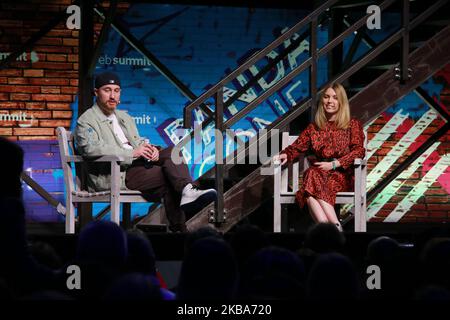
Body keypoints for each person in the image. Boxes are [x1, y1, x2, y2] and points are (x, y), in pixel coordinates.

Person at [74, 72, 217, 232]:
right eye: (107, 90)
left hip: (138, 165)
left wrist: (152, 151)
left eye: (116, 90)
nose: (113, 95)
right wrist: (132, 153)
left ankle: (187, 191)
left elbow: (137, 141)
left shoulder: (123, 117)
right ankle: (181, 226)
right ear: (96, 92)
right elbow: (90, 149)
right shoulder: (86, 120)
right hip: (117, 173)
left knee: (172, 151)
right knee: (169, 179)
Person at [273, 83, 365, 232]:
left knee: (309, 184)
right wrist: (286, 154)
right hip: (318, 175)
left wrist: (335, 164)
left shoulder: (352, 125)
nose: (330, 101)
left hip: (341, 175)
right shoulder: (314, 128)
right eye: (327, 97)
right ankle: (334, 227)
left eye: (335, 98)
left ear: (341, 102)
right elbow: (297, 146)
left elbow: (359, 151)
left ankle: (327, 230)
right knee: (312, 175)